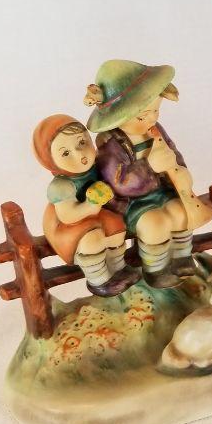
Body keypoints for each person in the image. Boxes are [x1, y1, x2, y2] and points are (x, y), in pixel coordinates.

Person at [84, 60, 212, 289]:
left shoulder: (155, 130)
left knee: (180, 212)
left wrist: (178, 168)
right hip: (131, 202)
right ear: (118, 117)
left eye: (155, 111)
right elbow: (120, 182)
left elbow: (172, 152)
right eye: (142, 116)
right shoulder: (110, 143)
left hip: (161, 192)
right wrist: (149, 166)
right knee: (155, 224)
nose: (152, 119)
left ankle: (181, 257)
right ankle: (156, 268)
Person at [33, 114, 139, 296]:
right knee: (93, 240)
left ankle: (118, 268)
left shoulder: (97, 165)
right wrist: (90, 206)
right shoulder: (62, 186)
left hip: (97, 215)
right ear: (50, 160)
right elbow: (67, 216)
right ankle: (99, 279)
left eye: (82, 142)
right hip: (69, 225)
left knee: (116, 227)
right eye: (65, 153)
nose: (80, 154)